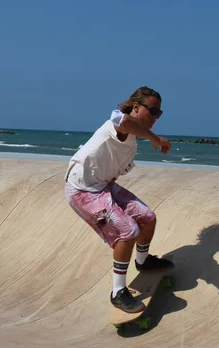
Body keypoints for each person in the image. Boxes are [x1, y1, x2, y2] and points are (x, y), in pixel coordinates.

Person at [65, 86, 174, 314]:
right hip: (82, 190)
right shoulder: (118, 121)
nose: (155, 117)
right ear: (136, 107)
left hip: (103, 186)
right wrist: (155, 138)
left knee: (148, 217)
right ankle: (117, 293)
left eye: (159, 114)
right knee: (128, 231)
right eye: (152, 111)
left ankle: (143, 262)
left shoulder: (132, 141)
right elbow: (125, 122)